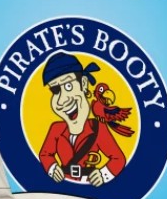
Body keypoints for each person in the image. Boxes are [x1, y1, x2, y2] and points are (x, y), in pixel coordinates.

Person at [38, 52, 126, 186]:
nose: (62, 100)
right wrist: (52, 168)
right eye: (55, 90)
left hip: (89, 187)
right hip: (62, 187)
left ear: (83, 83)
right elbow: (45, 154)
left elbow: (118, 158)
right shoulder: (56, 129)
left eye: (68, 86)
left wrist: (103, 174)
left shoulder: (98, 128)